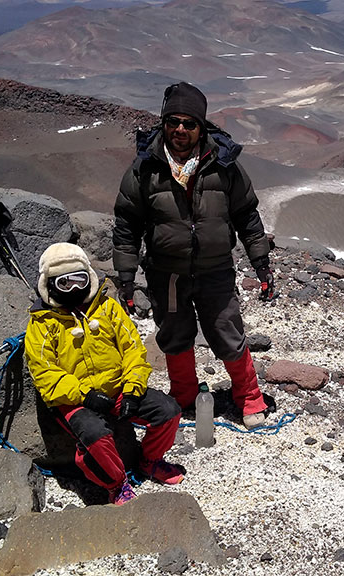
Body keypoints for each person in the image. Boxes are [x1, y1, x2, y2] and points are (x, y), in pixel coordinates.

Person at [113, 81, 275, 429]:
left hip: (215, 269)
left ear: (201, 127)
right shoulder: (145, 167)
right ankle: (184, 396)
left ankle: (250, 398)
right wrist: (126, 276)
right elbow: (127, 223)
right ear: (163, 123)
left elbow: (247, 215)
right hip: (166, 272)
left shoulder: (224, 164)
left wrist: (261, 264)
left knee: (227, 331)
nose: (180, 130)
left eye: (189, 123)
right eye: (173, 121)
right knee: (175, 332)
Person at [24, 242, 184, 505]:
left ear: (89, 276)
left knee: (168, 411)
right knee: (94, 435)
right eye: (65, 283)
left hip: (118, 389)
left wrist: (132, 389)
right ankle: (116, 485)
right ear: (49, 285)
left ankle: (150, 460)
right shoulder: (42, 324)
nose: (74, 289)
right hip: (74, 400)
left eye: (79, 280)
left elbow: (133, 349)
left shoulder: (107, 307)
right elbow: (45, 373)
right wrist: (85, 395)